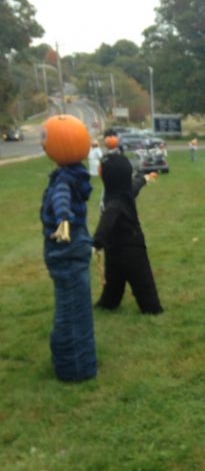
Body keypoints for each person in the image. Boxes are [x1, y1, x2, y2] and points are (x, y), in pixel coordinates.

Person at [39, 114, 97, 382]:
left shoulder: (63, 180)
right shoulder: (73, 176)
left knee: (71, 310)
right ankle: (77, 365)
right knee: (76, 308)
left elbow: (61, 201)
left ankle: (75, 368)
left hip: (66, 250)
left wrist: (63, 218)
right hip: (74, 249)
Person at [93, 154, 163, 314]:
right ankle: (109, 302)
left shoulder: (116, 202)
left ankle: (152, 308)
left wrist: (97, 240)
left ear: (109, 175)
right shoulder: (124, 191)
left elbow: (108, 219)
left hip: (132, 248)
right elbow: (136, 185)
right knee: (113, 279)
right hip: (113, 247)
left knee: (142, 280)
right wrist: (144, 178)